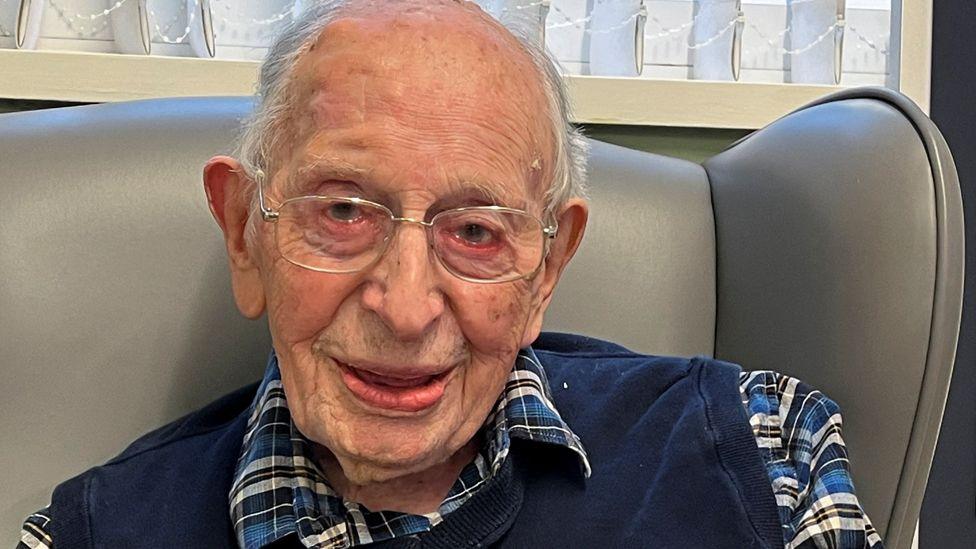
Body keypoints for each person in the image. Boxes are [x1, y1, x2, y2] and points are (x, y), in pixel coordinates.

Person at [18, 1, 883, 547]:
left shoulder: (764, 450)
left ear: (547, 266)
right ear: (245, 233)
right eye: (344, 210)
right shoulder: (88, 531)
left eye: (474, 230)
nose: (404, 306)